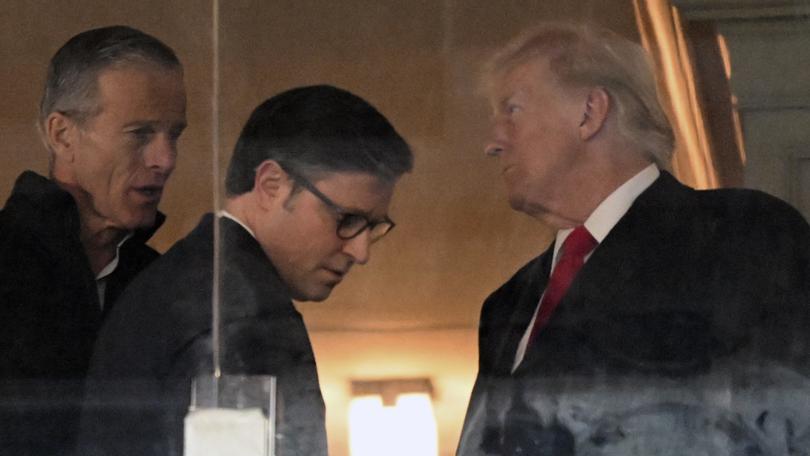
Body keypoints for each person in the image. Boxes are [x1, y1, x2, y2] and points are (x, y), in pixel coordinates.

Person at [457, 22, 810, 455]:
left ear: (590, 112)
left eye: (512, 110)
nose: (492, 143)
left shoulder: (739, 234)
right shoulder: (507, 303)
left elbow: (785, 426)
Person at [78, 84, 414, 456]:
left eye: (373, 228)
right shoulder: (245, 314)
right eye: (348, 219)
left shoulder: (178, 282)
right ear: (271, 185)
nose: (361, 250)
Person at [0, 26, 186, 454]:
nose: (166, 159)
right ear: (62, 135)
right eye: (140, 133)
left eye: (174, 134)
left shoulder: (164, 286)